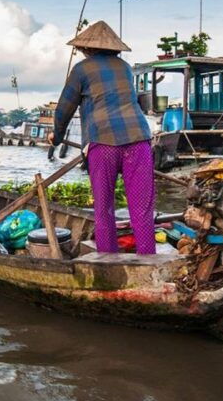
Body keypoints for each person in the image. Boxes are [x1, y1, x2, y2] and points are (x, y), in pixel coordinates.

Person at [48, 21, 155, 255]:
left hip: (103, 142)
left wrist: (56, 138)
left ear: (87, 48)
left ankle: (108, 259)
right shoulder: (125, 68)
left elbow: (64, 108)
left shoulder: (81, 69)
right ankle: (148, 259)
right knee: (142, 209)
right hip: (138, 140)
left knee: (104, 208)